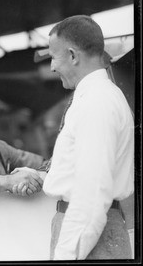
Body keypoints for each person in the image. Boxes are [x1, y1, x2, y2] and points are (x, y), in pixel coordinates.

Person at [42, 15, 134, 260]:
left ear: (73, 56)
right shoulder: (97, 97)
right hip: (93, 234)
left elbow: (92, 193)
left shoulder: (96, 103)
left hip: (91, 239)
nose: (51, 66)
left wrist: (66, 254)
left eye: (53, 56)